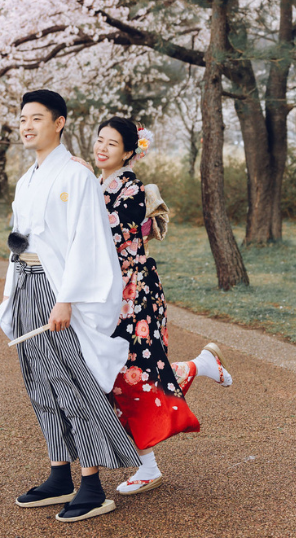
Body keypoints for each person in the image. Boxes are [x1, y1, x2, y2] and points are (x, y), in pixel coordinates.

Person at [0, 90, 141, 522]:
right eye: (22, 119)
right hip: (27, 284)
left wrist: (66, 299)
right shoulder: (27, 181)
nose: (27, 126)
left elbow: (88, 243)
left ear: (59, 123)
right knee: (39, 380)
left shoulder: (76, 176)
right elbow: (20, 242)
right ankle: (60, 473)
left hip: (59, 290)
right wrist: (12, 294)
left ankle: (93, 485)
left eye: (36, 118)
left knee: (72, 382)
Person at [91, 117, 233, 495]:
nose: (102, 147)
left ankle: (147, 465)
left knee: (128, 374)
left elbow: (104, 234)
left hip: (132, 291)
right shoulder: (98, 185)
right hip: (107, 290)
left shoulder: (132, 191)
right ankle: (200, 365)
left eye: (112, 143)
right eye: (99, 140)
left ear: (129, 152)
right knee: (124, 372)